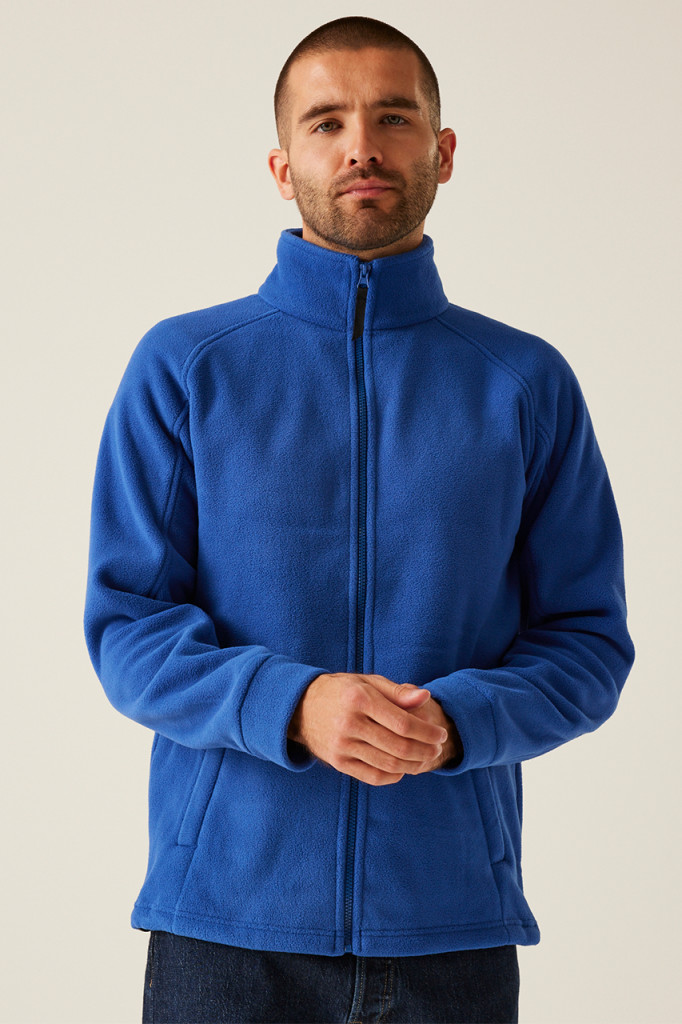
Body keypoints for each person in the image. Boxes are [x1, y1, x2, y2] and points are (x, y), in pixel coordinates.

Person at [83, 15, 635, 1024]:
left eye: (393, 118)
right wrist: (292, 704)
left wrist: (457, 723)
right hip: (226, 935)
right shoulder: (187, 367)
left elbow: (588, 644)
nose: (361, 147)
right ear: (281, 164)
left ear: (443, 150)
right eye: (326, 122)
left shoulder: (524, 383)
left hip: (450, 932)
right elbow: (127, 628)